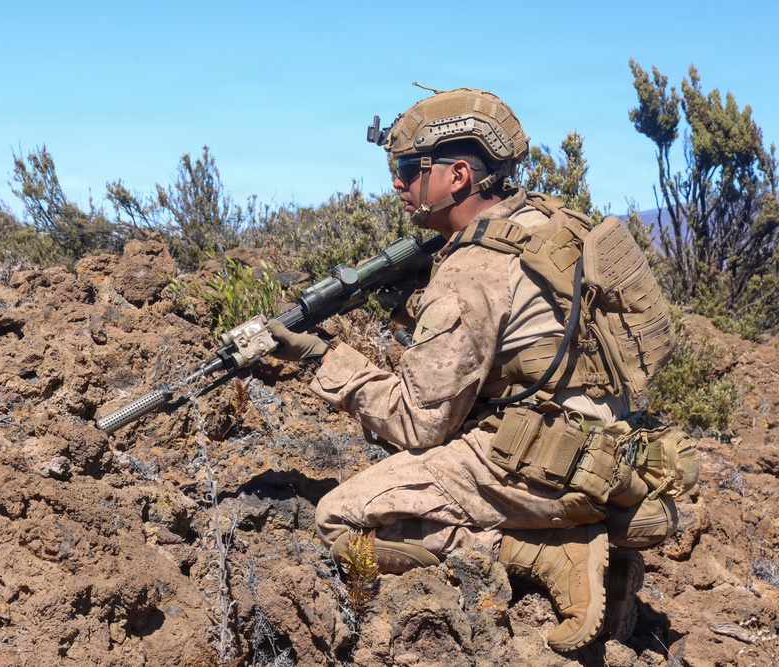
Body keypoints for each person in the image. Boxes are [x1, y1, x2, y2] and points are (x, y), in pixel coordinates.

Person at [266, 87, 678, 652]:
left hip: (542, 462)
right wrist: (413, 303)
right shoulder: (551, 221)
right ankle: (596, 526)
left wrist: (322, 358)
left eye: (407, 169)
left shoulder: (471, 269)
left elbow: (418, 423)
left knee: (340, 518)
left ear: (458, 175)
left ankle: (546, 549)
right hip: (615, 451)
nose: (397, 184)